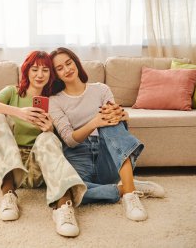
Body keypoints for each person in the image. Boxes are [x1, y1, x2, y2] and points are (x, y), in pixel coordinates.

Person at [49, 47, 165, 221]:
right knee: (73, 191)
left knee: (111, 121)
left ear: (76, 62)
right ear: (56, 74)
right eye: (60, 68)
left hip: (107, 153)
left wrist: (121, 115)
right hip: (78, 155)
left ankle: (130, 195)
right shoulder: (55, 100)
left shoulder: (101, 89)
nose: (67, 69)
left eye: (69, 63)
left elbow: (115, 120)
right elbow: (69, 140)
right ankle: (125, 186)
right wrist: (94, 122)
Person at [0, 50, 87, 237]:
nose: (39, 75)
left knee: (48, 137)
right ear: (26, 71)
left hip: (37, 169)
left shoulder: (54, 100)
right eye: (35, 69)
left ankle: (63, 206)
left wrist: (49, 129)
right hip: (7, 167)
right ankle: (8, 195)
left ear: (51, 75)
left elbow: (61, 139)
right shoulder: (12, 92)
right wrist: (19, 112)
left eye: (45, 70)